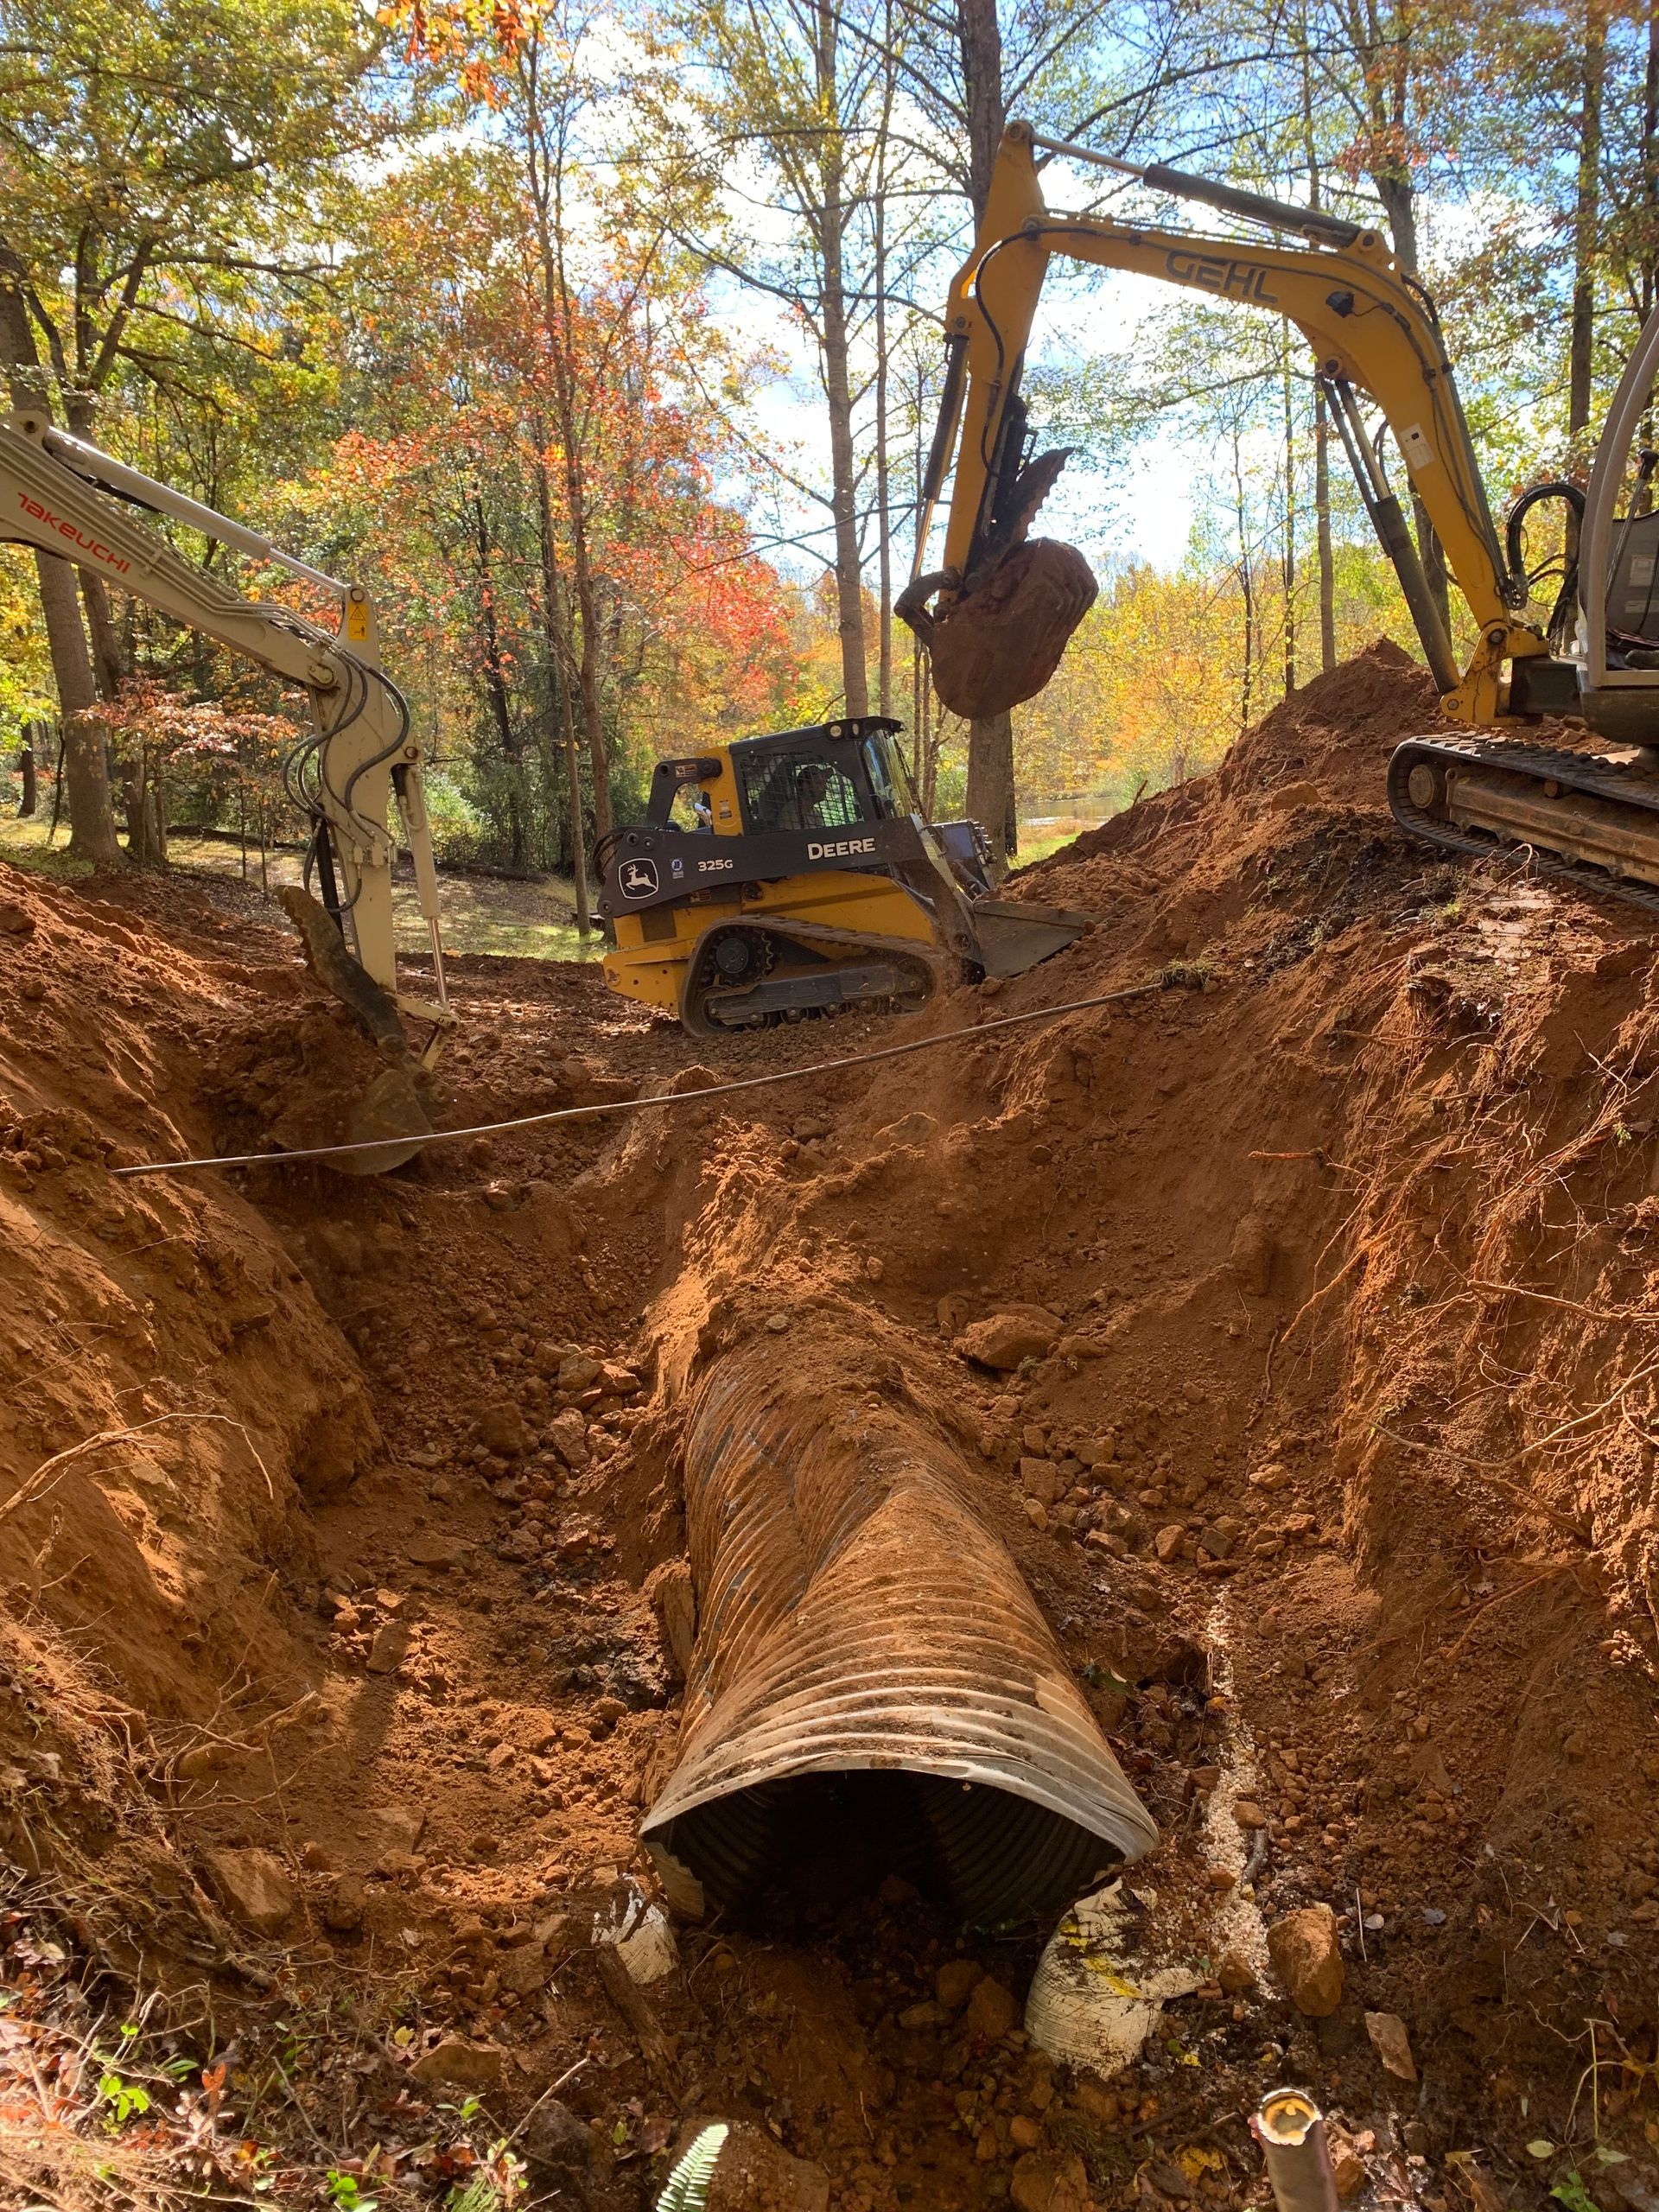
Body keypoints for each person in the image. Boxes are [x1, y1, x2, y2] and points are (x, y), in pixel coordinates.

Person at [774, 762, 832, 831]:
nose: (825, 788)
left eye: (825, 783)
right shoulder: (791, 812)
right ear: (805, 786)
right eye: (818, 783)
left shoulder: (815, 812)